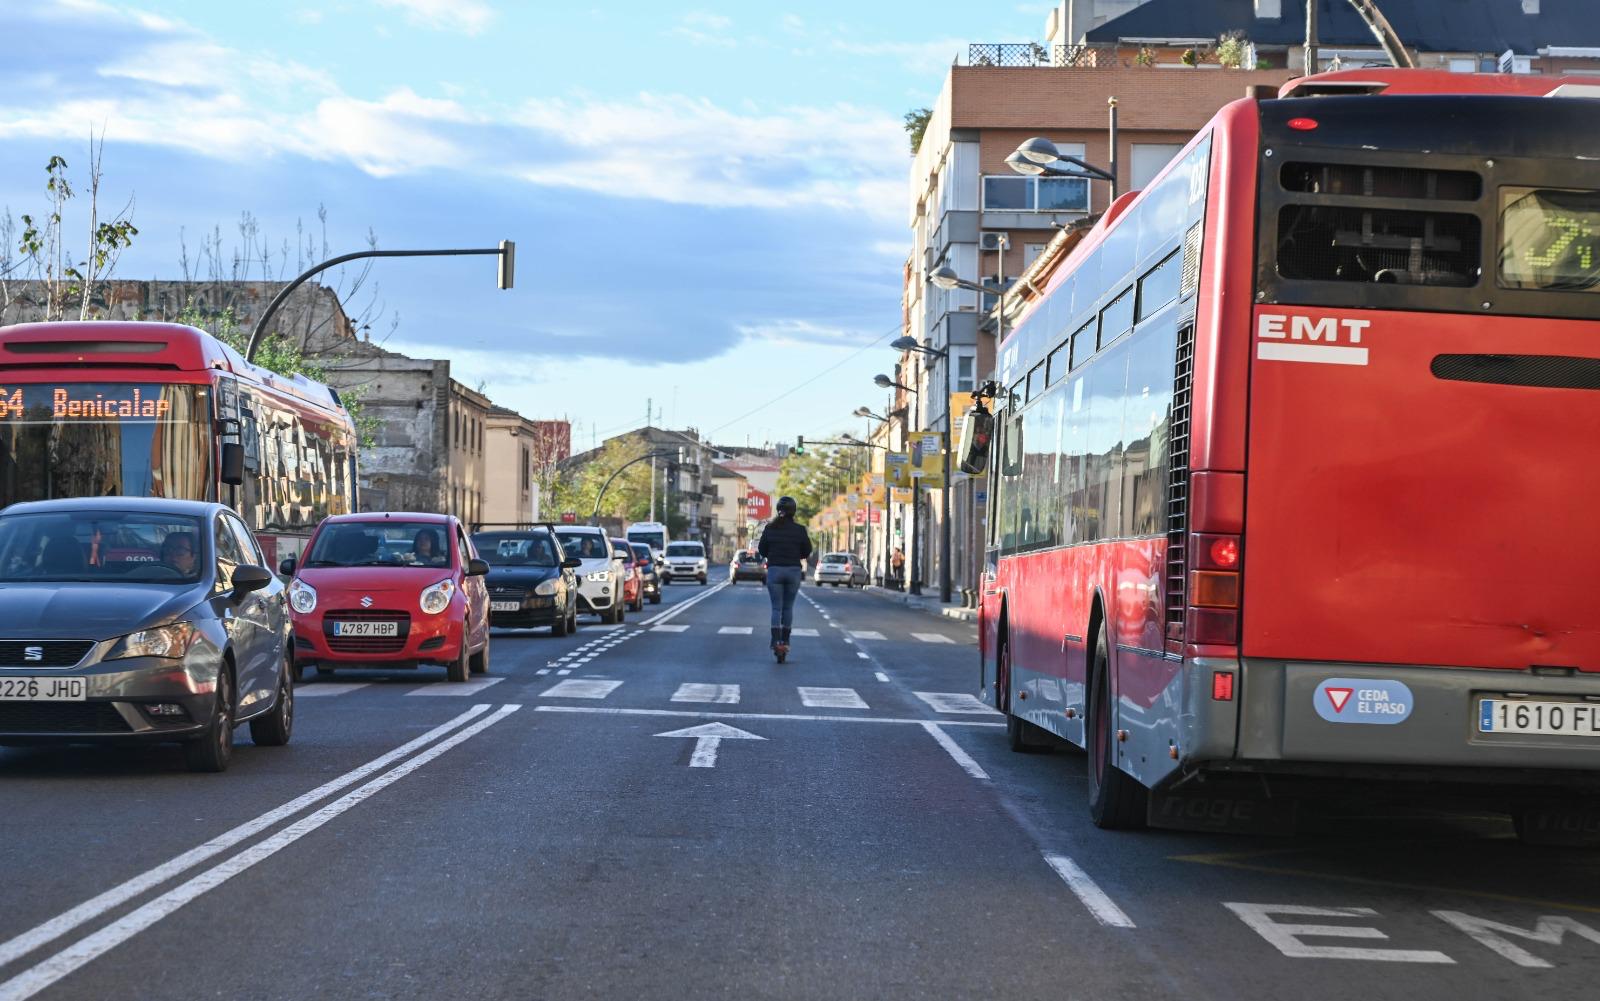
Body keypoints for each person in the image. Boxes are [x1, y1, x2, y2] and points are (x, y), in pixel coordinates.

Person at [757, 496, 812, 659]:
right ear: (793, 511)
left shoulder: (769, 529)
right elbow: (807, 551)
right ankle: (786, 640)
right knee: (788, 608)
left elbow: (762, 550)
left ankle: (775, 639)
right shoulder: (800, 530)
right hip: (793, 571)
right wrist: (797, 554)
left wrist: (772, 554)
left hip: (774, 570)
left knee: (776, 608)